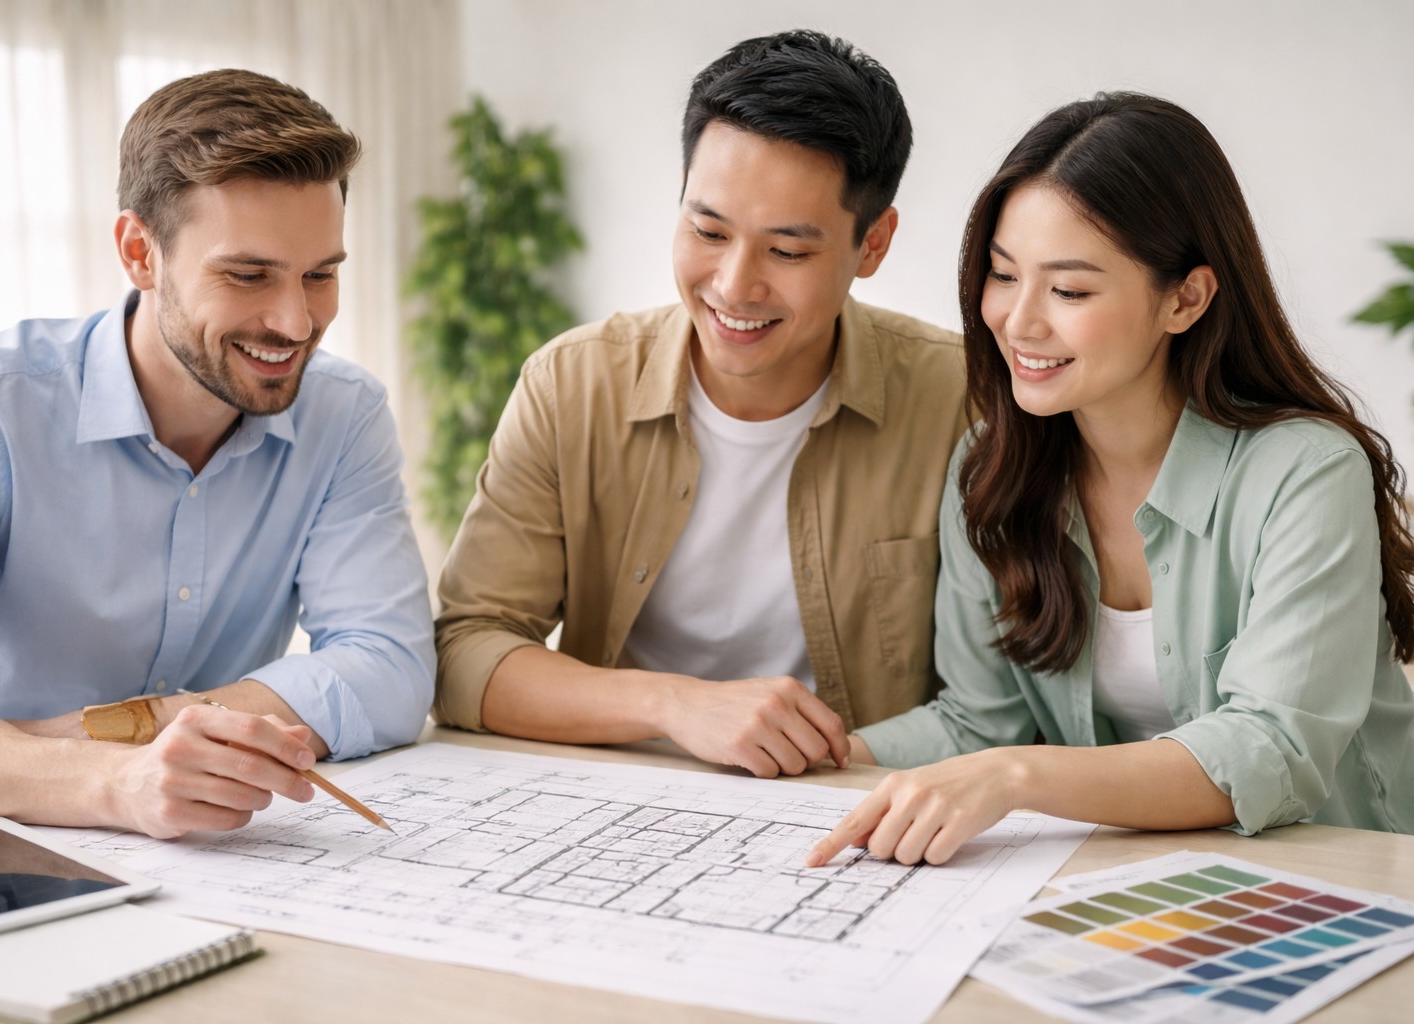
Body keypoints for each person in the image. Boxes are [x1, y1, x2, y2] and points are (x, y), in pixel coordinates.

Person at [808, 92, 1414, 868]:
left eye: (1069, 291)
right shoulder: (991, 470)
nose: (1019, 321)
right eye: (1002, 274)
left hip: (1343, 884)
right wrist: (824, 753)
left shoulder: (1306, 472)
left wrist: (1016, 776)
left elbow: (1271, 747)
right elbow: (976, 726)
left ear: (1185, 299)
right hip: (1145, 880)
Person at [0, 69, 435, 838]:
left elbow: (391, 665)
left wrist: (144, 728)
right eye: (248, 275)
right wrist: (115, 781)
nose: (296, 322)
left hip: (227, 852)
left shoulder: (345, 414)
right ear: (141, 252)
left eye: (321, 275)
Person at [434, 30, 969, 778]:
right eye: (707, 230)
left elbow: (1002, 704)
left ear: (873, 244)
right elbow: (465, 654)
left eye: (787, 252)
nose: (734, 285)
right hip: (620, 798)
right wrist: (674, 705)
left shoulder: (960, 401)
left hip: (856, 806)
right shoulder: (572, 385)